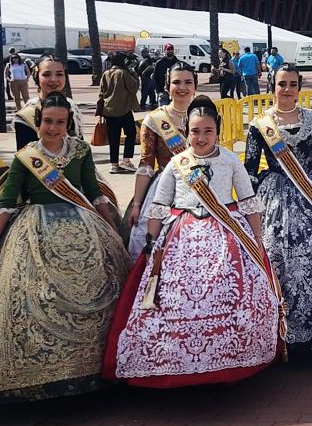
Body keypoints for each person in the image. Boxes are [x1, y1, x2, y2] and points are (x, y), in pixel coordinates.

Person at [0, 93, 130, 402]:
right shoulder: (25, 158)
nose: (53, 128)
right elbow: (6, 203)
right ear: (39, 123)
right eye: (48, 121)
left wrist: (114, 234)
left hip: (86, 230)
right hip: (32, 232)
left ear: (68, 124)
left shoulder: (81, 152)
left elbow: (94, 194)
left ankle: (90, 373)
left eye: (60, 122)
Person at [103, 95, 281, 386]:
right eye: (195, 131)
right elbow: (159, 206)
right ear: (186, 132)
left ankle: (230, 358)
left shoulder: (230, 160)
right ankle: (173, 360)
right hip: (180, 237)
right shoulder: (177, 163)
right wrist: (151, 242)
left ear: (218, 132)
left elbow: (248, 202)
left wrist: (257, 240)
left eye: (208, 131)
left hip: (226, 233)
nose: (201, 137)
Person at [245, 64, 312, 349]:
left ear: (300, 87)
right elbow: (250, 169)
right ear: (272, 87)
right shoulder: (259, 124)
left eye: (292, 84)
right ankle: (281, 333)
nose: (286, 89)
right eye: (281, 84)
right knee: (278, 258)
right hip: (274, 197)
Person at [123, 63, 197, 257]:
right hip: (164, 187)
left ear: (195, 86)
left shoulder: (206, 116)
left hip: (199, 184)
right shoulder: (155, 119)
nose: (182, 87)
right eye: (176, 82)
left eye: (188, 82)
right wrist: (138, 204)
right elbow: (146, 164)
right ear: (167, 85)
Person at [97, 52, 140, 174]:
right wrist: (133, 73)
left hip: (108, 111)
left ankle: (114, 164)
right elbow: (134, 87)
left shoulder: (106, 73)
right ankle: (126, 161)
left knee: (113, 139)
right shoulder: (124, 73)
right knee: (131, 133)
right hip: (123, 110)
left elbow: (101, 93)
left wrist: (100, 113)